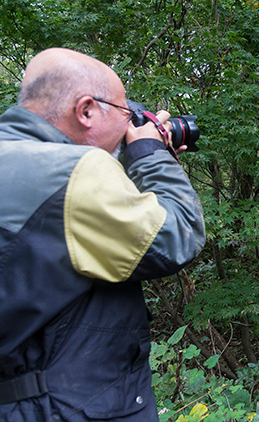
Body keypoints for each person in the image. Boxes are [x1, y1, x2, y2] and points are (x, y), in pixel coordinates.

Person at [0, 48, 205, 421]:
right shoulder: (74, 171)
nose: (129, 125)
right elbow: (177, 234)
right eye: (126, 114)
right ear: (87, 110)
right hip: (62, 407)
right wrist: (149, 152)